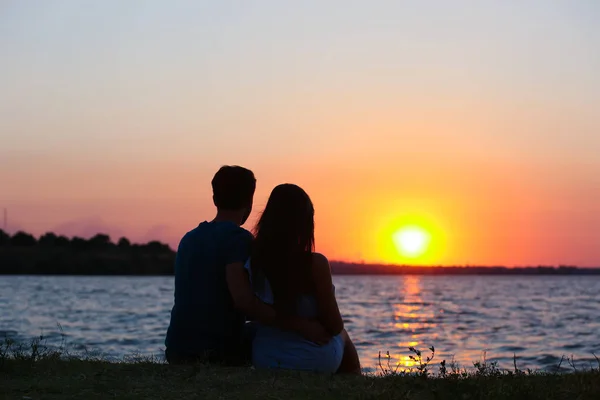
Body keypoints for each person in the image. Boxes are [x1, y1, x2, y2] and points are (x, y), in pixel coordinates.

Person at [165, 166, 330, 365]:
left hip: (176, 350)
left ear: (214, 199)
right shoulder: (239, 240)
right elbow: (244, 301)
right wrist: (301, 325)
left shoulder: (189, 239)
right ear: (249, 202)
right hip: (217, 352)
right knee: (280, 337)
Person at [245, 183, 361, 374]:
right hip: (314, 359)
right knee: (343, 334)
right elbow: (333, 326)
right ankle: (356, 387)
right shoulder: (315, 264)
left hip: (266, 359)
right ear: (304, 223)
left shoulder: (252, 260)